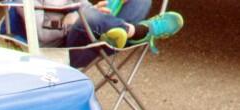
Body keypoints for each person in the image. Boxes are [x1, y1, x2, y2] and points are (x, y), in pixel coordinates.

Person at [18, 0, 184, 68]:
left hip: (92, 34)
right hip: (63, 50)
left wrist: (98, 8)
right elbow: (40, 31)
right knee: (89, 17)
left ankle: (119, 33)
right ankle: (140, 31)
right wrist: (77, 18)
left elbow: (82, 5)